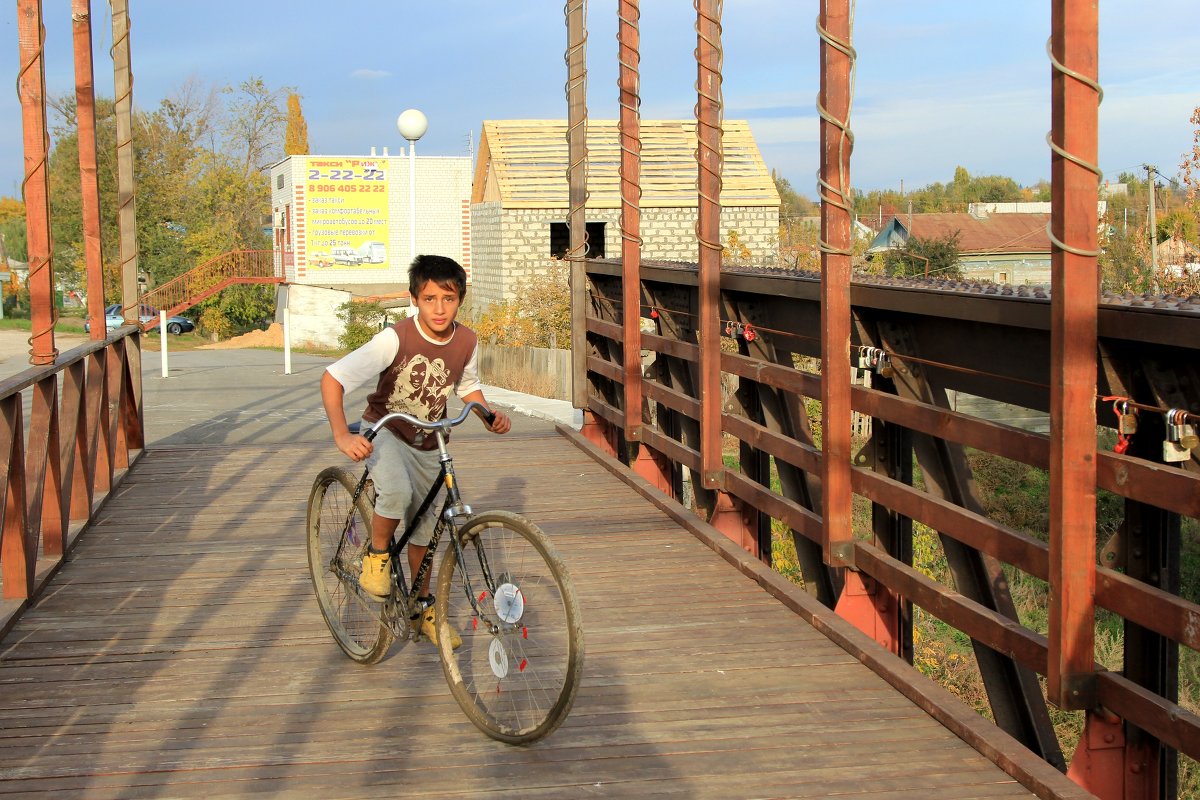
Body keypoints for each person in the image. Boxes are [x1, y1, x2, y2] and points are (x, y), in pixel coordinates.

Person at [321, 255, 511, 649]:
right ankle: (376, 558)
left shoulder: (467, 341)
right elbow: (333, 378)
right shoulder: (396, 338)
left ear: (460, 299)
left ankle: (420, 605)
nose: (439, 308)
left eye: (448, 298)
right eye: (429, 298)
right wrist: (342, 435)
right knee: (397, 492)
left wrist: (487, 414)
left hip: (430, 438)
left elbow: (466, 386)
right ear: (414, 299)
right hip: (387, 430)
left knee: (425, 529)